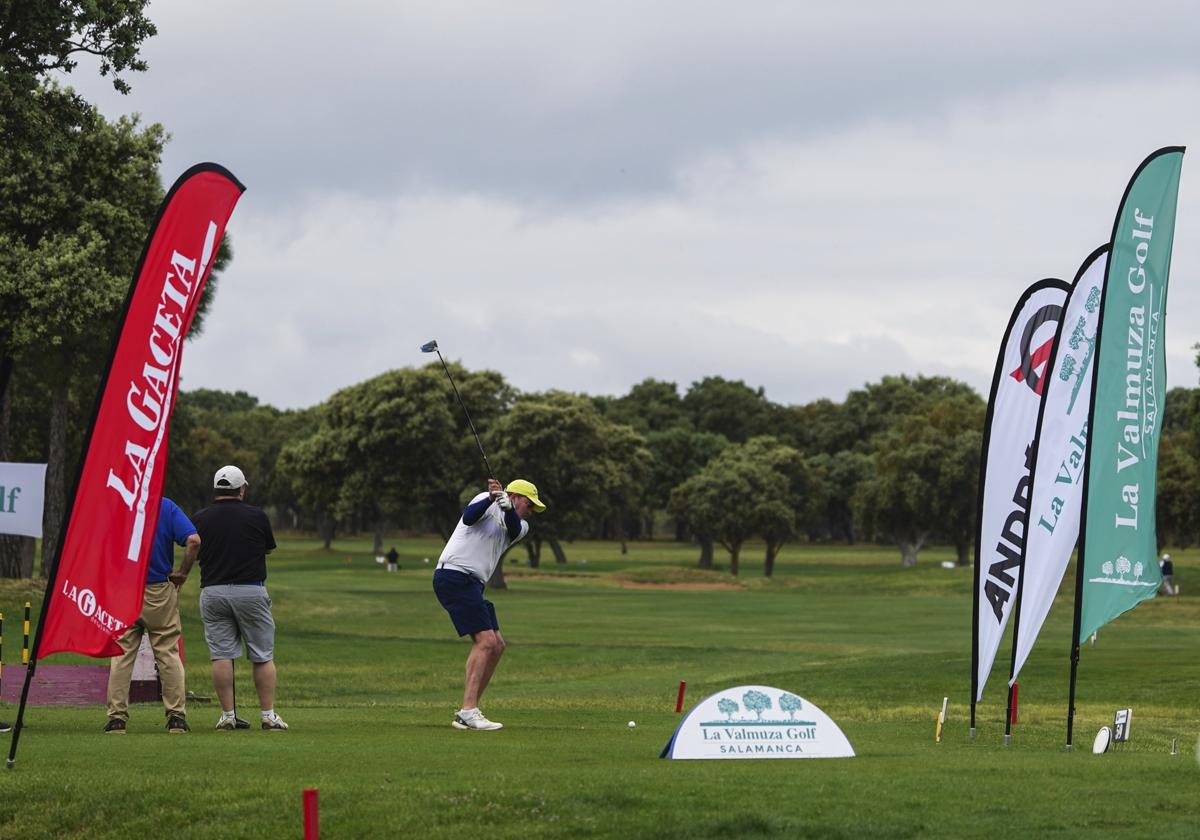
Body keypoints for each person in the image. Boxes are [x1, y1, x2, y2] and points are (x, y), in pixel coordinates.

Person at [432, 478, 545, 731]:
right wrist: (492, 498)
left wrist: (508, 509)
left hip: (472, 584)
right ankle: (469, 710)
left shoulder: (522, 525)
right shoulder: (483, 499)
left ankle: (468, 710)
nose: (531, 511)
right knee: (486, 642)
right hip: (454, 574)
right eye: (529, 504)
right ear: (515, 496)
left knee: (497, 645)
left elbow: (514, 528)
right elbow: (469, 518)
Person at [181, 465, 288, 731]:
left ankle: (228, 715)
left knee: (221, 655)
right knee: (262, 655)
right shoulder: (257, 515)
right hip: (250, 590)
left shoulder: (200, 518)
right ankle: (268, 715)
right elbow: (268, 549)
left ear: (217, 489)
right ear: (241, 489)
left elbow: (192, 545)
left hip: (213, 591)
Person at [104, 496, 199, 734]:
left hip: (125, 589)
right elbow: (194, 541)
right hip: (158, 590)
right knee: (167, 652)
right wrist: (183, 573)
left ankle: (117, 719)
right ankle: (176, 717)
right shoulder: (165, 506)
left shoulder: (118, 503)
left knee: (122, 654)